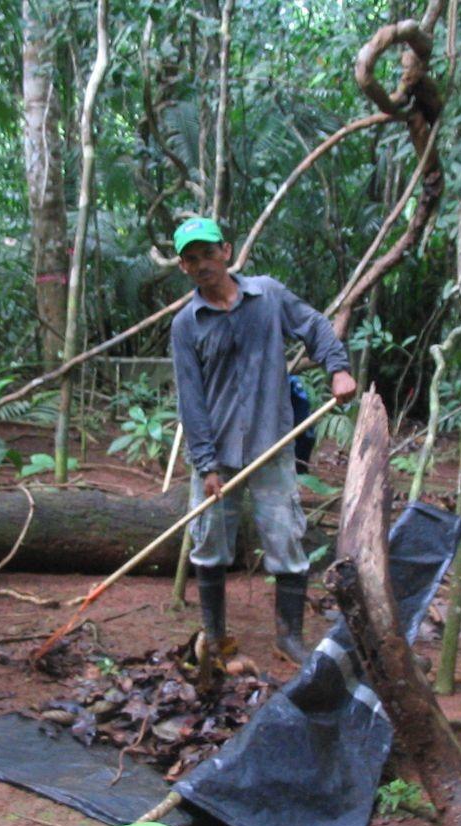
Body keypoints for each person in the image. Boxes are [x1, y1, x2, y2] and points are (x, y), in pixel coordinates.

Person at [169, 217, 357, 663]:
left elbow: (313, 325)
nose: (201, 264)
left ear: (227, 252)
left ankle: (288, 637)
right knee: (210, 543)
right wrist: (206, 465)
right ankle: (214, 636)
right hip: (216, 454)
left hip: (271, 443)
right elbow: (190, 401)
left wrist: (338, 366)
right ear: (183, 267)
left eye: (208, 253)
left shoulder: (268, 296)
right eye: (191, 258)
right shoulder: (186, 325)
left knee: (286, 541)